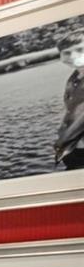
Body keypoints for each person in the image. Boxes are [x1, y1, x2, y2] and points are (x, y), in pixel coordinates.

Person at [55, 32, 84, 171]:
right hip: (74, 150)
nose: (73, 56)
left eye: (80, 49)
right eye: (66, 53)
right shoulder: (74, 78)